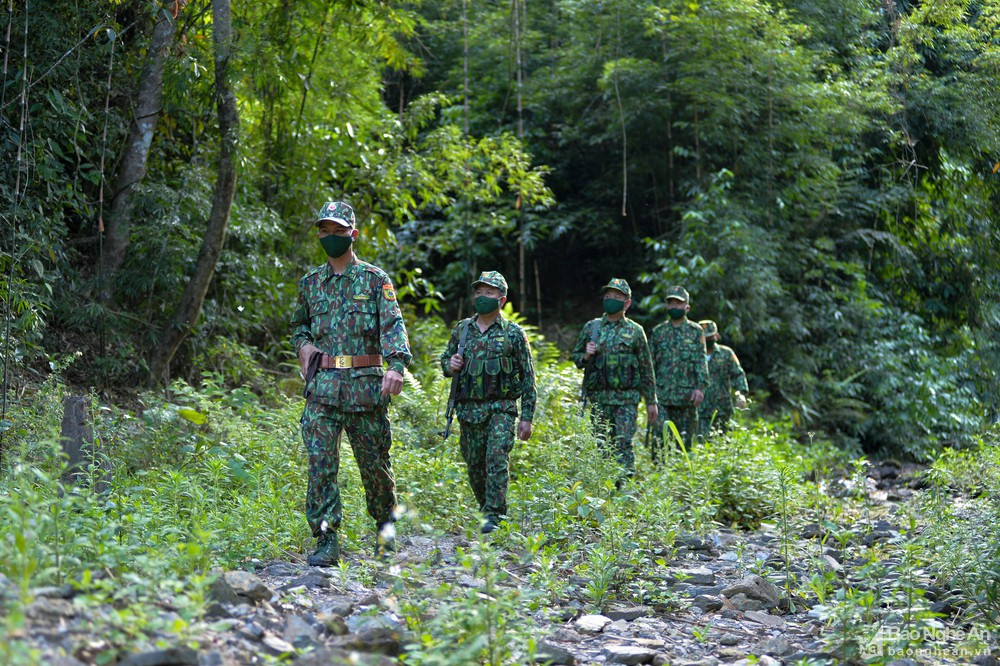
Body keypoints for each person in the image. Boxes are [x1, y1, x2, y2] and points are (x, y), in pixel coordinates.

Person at [291, 201, 411, 566]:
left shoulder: (375, 280)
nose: (331, 237)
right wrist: (303, 345)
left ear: (352, 234)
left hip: (366, 387)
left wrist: (396, 366)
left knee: (374, 465)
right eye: (324, 231)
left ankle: (385, 529)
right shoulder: (310, 283)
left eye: (338, 231)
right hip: (323, 388)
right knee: (321, 463)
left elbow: (393, 326)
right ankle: (326, 539)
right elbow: (299, 326)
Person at [441, 271, 536, 534]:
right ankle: (486, 506)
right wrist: (450, 364)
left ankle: (495, 515)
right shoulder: (462, 330)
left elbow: (528, 377)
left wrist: (526, 417)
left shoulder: (514, 334)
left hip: (501, 409)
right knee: (474, 464)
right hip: (469, 410)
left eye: (490, 293)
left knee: (496, 457)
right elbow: (445, 362)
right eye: (480, 292)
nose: (483, 297)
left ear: (502, 299)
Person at [571, 278, 658, 483]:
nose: (611, 300)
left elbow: (646, 367)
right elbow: (576, 358)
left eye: (617, 297)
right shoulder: (592, 327)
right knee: (602, 444)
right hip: (599, 399)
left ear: (627, 303)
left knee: (623, 442)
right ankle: (605, 487)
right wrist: (585, 355)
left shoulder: (635, 331)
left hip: (627, 399)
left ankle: (624, 487)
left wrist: (651, 401)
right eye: (608, 296)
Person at [649, 285, 708, 459]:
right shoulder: (658, 332)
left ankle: (681, 480)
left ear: (687, 307)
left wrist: (701, 388)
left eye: (678, 303)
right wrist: (649, 395)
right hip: (662, 397)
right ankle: (659, 478)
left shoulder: (696, 332)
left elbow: (701, 361)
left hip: (687, 397)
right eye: (671, 303)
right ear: (667, 307)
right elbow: (650, 365)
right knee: (660, 441)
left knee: (685, 445)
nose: (674, 307)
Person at [697, 320, 748, 435]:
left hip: (722, 409)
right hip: (700, 410)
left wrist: (741, 394)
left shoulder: (726, 354)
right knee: (701, 444)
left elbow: (738, 374)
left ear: (716, 336)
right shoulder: (692, 355)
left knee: (723, 442)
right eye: (704, 337)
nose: (707, 340)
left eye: (709, 337)